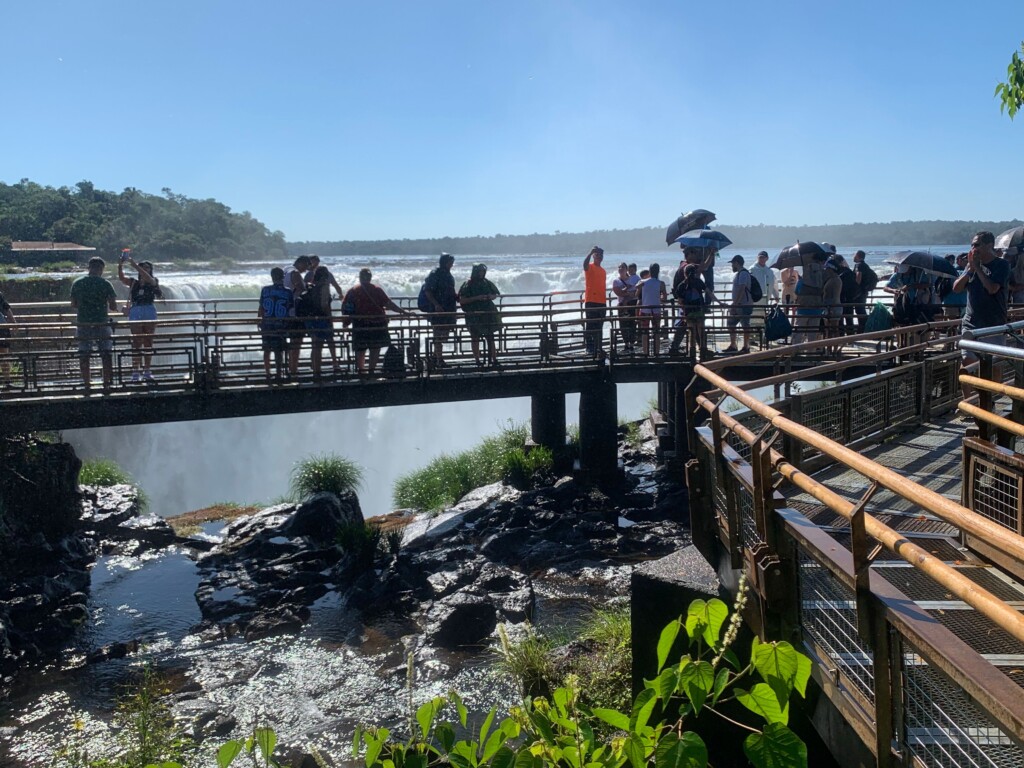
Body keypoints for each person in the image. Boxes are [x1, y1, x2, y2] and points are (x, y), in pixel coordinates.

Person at [954, 231, 1010, 399]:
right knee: (967, 362)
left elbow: (992, 289)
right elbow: (956, 289)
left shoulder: (1001, 265)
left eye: (977, 245)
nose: (973, 248)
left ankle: (991, 398)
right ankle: (969, 401)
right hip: (971, 322)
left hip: (993, 322)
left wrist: (977, 267)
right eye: (972, 245)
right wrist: (969, 270)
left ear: (989, 245)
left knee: (994, 364)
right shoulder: (970, 266)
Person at [341, 268, 407, 375]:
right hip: (377, 324)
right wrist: (403, 312)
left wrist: (346, 323)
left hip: (360, 324)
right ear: (370, 278)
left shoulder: (353, 291)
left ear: (360, 277)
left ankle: (361, 372)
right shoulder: (377, 290)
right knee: (375, 348)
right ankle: (371, 372)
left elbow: (347, 309)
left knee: (360, 349)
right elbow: (389, 304)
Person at [70, 257, 119, 390]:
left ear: (89, 267)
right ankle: (107, 383)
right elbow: (113, 305)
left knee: (84, 354)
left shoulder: (77, 283)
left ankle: (87, 383)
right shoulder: (105, 283)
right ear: (101, 269)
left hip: (83, 323)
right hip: (102, 323)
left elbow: (74, 304)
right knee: (106, 354)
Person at [117, 252, 162, 383]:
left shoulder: (153, 281)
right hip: (136, 309)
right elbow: (121, 278)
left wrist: (133, 264)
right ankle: (135, 372)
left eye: (147, 267)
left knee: (148, 342)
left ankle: (147, 371)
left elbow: (148, 278)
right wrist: (120, 265)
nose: (144, 269)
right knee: (136, 342)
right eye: (143, 267)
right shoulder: (134, 283)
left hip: (148, 308)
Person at [303, 254, 345, 370]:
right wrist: (329, 317)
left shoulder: (312, 281)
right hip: (324, 316)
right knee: (328, 340)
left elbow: (336, 286)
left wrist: (341, 295)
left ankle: (316, 367)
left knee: (316, 342)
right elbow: (324, 304)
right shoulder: (322, 284)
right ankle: (331, 364)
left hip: (313, 316)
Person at [458, 263, 502, 368]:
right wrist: (477, 298)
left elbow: (495, 294)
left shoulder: (486, 283)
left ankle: (494, 359)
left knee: (490, 337)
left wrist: (490, 297)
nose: (481, 274)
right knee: (475, 338)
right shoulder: (467, 284)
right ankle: (477, 360)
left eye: (483, 272)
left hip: (487, 314)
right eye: (479, 272)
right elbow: (462, 300)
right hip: (474, 315)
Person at [421, 253, 458, 368]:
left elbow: (450, 290)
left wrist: (457, 296)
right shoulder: (435, 274)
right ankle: (439, 360)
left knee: (444, 335)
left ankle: (434, 356)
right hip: (438, 311)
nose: (451, 264)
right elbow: (428, 291)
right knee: (438, 335)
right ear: (444, 262)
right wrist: (436, 305)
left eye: (452, 262)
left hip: (449, 310)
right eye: (449, 262)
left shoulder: (448, 274)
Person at [257, 267, 294, 382]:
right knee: (279, 351)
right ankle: (278, 373)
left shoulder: (265, 290)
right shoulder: (287, 291)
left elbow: (261, 308)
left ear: (272, 277)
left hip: (267, 324)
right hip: (281, 325)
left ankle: (267, 373)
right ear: (282, 277)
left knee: (267, 349)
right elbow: (290, 309)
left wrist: (260, 320)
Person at [669, 263, 707, 358]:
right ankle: (703, 352)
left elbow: (680, 301)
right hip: (699, 310)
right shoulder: (699, 282)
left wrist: (683, 309)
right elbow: (709, 293)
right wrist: (719, 303)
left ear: (684, 273)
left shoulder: (682, 285)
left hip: (689, 312)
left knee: (692, 333)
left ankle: (692, 353)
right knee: (701, 332)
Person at [284, 255, 312, 377]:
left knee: (291, 342)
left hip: (285, 311)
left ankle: (291, 367)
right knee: (297, 341)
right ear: (301, 263)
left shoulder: (286, 269)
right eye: (306, 266)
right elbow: (301, 289)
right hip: (295, 312)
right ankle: (294, 369)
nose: (305, 270)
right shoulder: (295, 273)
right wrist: (307, 287)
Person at [791, 253, 826, 346]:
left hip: (803, 309)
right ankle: (811, 352)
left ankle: (795, 351)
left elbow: (797, 291)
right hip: (817, 309)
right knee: (813, 333)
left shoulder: (803, 281)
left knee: (799, 331)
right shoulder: (821, 277)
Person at [637, 263, 667, 356]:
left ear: (649, 271)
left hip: (645, 310)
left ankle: (645, 353)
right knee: (656, 332)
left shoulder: (643, 282)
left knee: (645, 332)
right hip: (656, 310)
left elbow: (636, 293)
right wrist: (659, 298)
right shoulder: (661, 284)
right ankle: (656, 352)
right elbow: (664, 298)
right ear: (658, 271)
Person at [724, 255, 753, 353]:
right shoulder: (739, 273)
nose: (732, 265)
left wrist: (735, 304)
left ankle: (746, 346)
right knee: (731, 323)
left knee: (745, 325)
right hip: (738, 304)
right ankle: (733, 345)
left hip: (743, 304)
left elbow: (742, 289)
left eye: (733, 263)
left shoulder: (743, 273)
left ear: (737, 263)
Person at [582, 246, 607, 356]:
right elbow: (584, 264)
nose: (599, 257)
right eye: (597, 255)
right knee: (590, 325)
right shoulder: (590, 267)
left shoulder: (603, 271)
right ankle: (589, 347)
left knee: (599, 326)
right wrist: (590, 251)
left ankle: (598, 347)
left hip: (602, 302)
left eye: (601, 255)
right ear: (593, 256)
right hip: (591, 300)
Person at [612, 262, 639, 351]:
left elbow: (637, 290)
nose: (620, 268)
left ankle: (632, 343)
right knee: (623, 324)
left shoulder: (632, 278)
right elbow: (618, 292)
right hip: (621, 304)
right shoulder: (616, 281)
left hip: (632, 303)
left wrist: (630, 294)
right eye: (619, 267)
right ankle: (626, 343)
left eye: (622, 267)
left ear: (626, 269)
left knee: (632, 324)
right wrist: (629, 293)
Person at [749, 251, 779, 323]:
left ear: (767, 258)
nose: (762, 259)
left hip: (766, 300)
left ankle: (762, 332)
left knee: (763, 319)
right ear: (757, 258)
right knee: (753, 319)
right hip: (755, 300)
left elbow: (773, 284)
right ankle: (754, 333)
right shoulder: (752, 269)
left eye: (763, 257)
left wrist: (776, 296)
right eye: (760, 257)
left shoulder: (769, 271)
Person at [850, 251, 877, 331]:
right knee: (860, 309)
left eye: (854, 255)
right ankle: (863, 328)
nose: (853, 257)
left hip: (860, 292)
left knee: (860, 310)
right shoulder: (864, 265)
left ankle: (862, 329)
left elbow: (858, 277)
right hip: (864, 291)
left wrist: (854, 288)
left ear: (858, 256)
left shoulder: (860, 265)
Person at [822, 258, 844, 353]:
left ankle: (834, 349)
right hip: (829, 306)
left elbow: (834, 295)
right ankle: (829, 348)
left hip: (833, 307)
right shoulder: (832, 279)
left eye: (827, 268)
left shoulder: (835, 280)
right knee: (828, 330)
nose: (825, 270)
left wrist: (831, 308)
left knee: (833, 330)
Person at [834, 256, 858, 335]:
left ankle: (841, 335)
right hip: (849, 297)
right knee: (849, 317)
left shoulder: (836, 272)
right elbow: (855, 285)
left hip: (839, 297)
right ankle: (850, 336)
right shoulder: (849, 271)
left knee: (840, 318)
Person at [942, 253, 969, 319]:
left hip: (963, 302)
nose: (967, 262)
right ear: (959, 261)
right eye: (966, 260)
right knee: (951, 323)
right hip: (951, 302)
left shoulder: (971, 272)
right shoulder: (953, 272)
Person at [0, 288, 16, 387]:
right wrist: (13, 323)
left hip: (1, 329)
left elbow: (6, 309)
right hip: (2, 328)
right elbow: (6, 309)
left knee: (4, 355)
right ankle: (7, 381)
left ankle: (7, 381)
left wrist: (13, 323)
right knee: (4, 356)